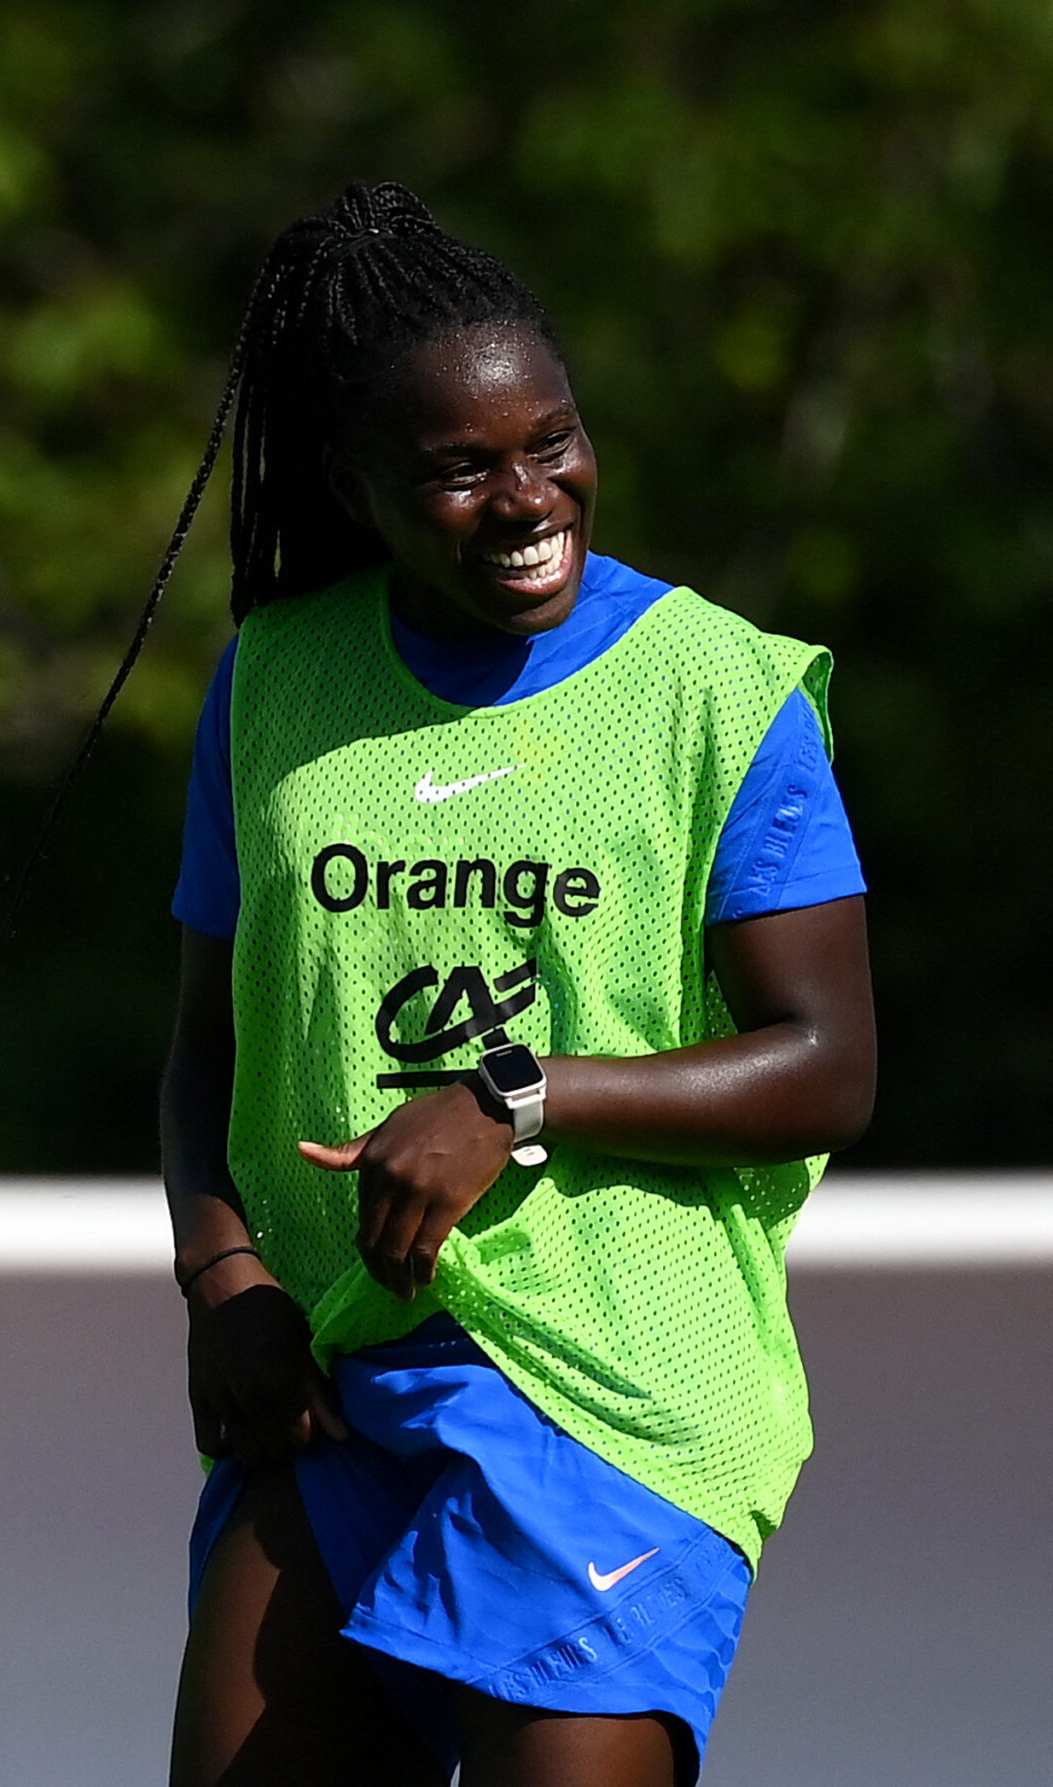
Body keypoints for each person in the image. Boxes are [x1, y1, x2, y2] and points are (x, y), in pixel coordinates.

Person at [139, 186, 877, 1786]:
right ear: (360, 484)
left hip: (611, 1406)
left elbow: (825, 1063)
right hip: (334, 1388)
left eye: (552, 442)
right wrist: (226, 1279)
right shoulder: (275, 680)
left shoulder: (721, 692)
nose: (528, 496)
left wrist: (516, 1101)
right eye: (463, 468)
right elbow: (209, 1054)